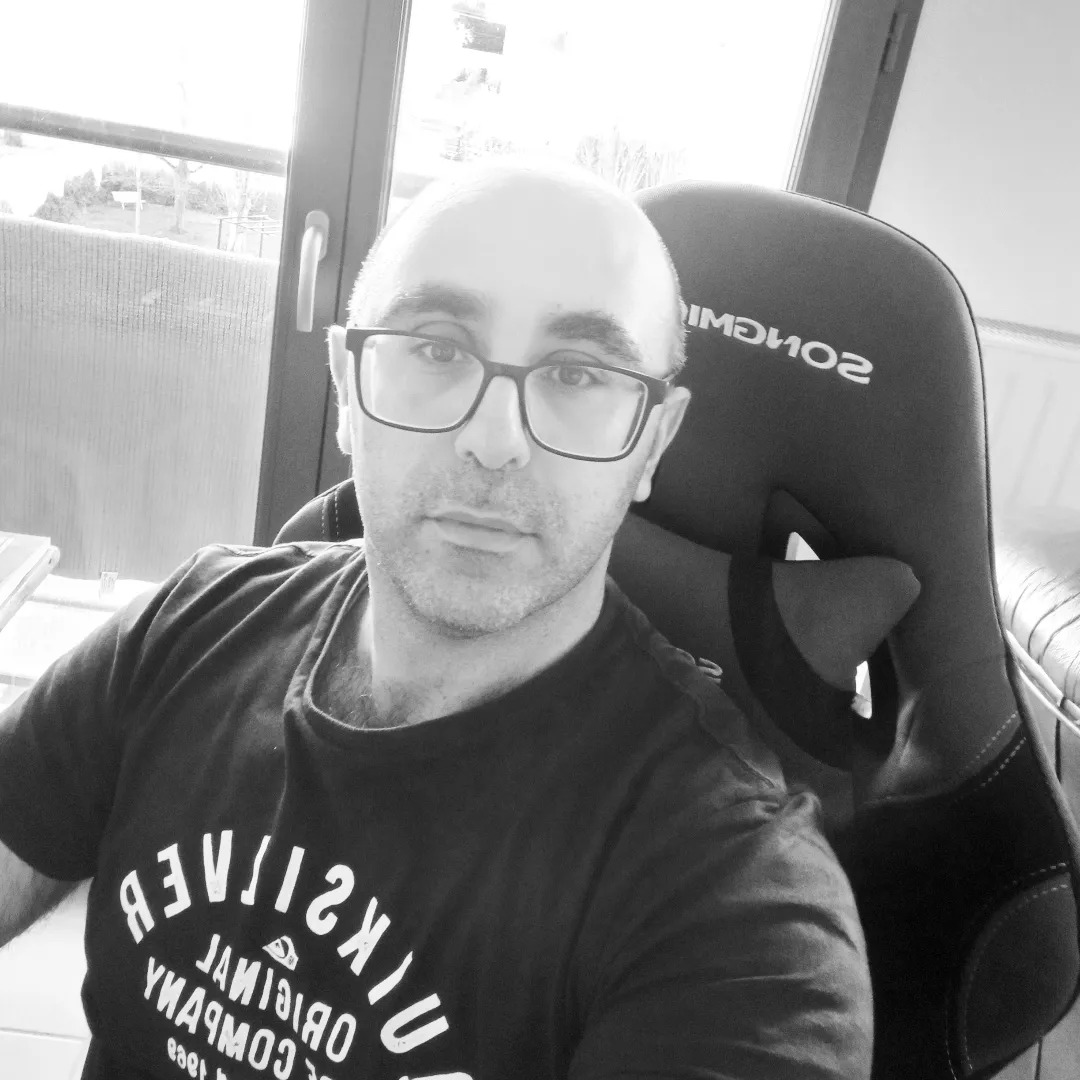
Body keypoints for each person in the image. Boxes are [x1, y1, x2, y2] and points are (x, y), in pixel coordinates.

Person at [0, 161, 872, 1079]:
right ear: (349, 386)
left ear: (652, 441)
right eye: (438, 350)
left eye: (578, 373)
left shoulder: (736, 902)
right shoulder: (190, 626)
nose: (495, 441)